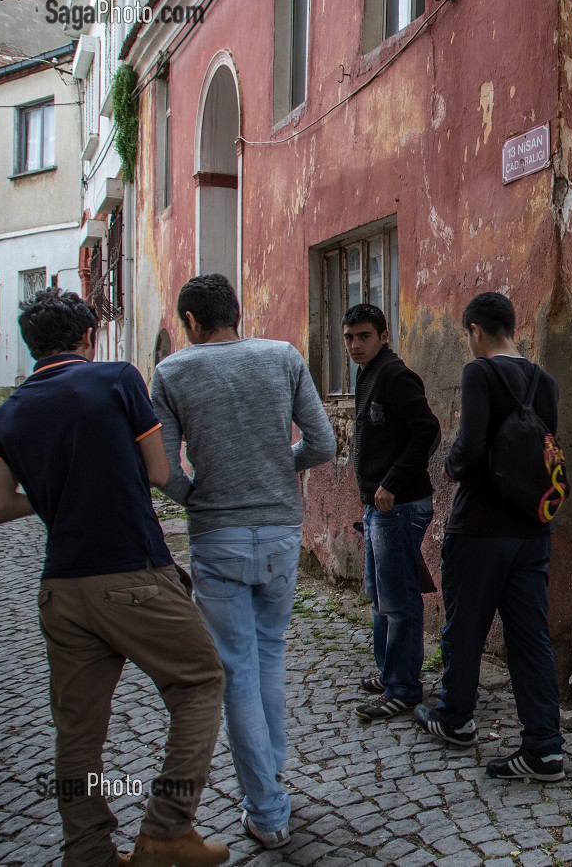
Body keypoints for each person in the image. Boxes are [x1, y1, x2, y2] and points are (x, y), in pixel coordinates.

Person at [0, 289, 228, 867]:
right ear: (88, 336)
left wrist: (54, 495)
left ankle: (88, 851)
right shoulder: (116, 379)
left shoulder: (5, 416)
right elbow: (160, 470)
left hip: (62, 589)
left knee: (78, 732)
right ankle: (167, 826)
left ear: (32, 346)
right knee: (199, 683)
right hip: (131, 571)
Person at [150, 274, 335, 850]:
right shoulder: (281, 357)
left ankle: (267, 808)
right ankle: (271, 776)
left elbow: (165, 470)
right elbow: (323, 444)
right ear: (237, 312)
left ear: (190, 322)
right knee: (270, 654)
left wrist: (197, 495)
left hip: (218, 536)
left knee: (236, 670)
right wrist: (282, 466)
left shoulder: (172, 373)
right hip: (279, 530)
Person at [414, 291, 565, 781]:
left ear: (475, 330)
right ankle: (544, 748)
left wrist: (451, 466)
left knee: (464, 628)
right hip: (531, 529)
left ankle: (456, 718)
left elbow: (471, 446)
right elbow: (546, 451)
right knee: (529, 638)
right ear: (511, 325)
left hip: (479, 527)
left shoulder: (479, 372)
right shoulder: (546, 383)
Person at [342, 303, 441, 720]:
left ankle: (404, 687)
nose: (354, 345)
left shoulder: (396, 376)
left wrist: (392, 483)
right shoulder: (368, 375)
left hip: (399, 506)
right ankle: (389, 673)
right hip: (379, 507)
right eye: (348, 337)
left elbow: (428, 431)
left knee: (398, 598)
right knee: (380, 595)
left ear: (383, 336)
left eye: (363, 336)